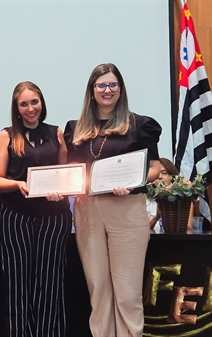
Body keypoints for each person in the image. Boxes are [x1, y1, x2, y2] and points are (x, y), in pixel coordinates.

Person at [64, 63, 161, 337]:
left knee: (128, 292)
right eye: (101, 85)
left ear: (120, 88)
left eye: (112, 85)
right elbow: (70, 172)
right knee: (99, 291)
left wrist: (133, 183)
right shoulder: (75, 129)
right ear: (92, 90)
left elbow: (154, 168)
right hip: (88, 211)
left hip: (126, 210)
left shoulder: (140, 125)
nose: (107, 90)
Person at [0, 81, 73, 337]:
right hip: (17, 217)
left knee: (50, 282)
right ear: (16, 108)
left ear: (42, 102)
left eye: (34, 102)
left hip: (54, 218)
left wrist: (63, 189)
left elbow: (65, 174)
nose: (30, 108)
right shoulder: (7, 135)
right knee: (17, 283)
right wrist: (17, 184)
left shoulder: (56, 133)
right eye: (23, 104)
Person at [147, 158, 195, 233]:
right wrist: (157, 217)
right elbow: (142, 230)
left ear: (172, 176)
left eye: (164, 173)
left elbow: (187, 228)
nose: (160, 176)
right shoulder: (144, 199)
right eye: (157, 173)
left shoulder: (183, 200)